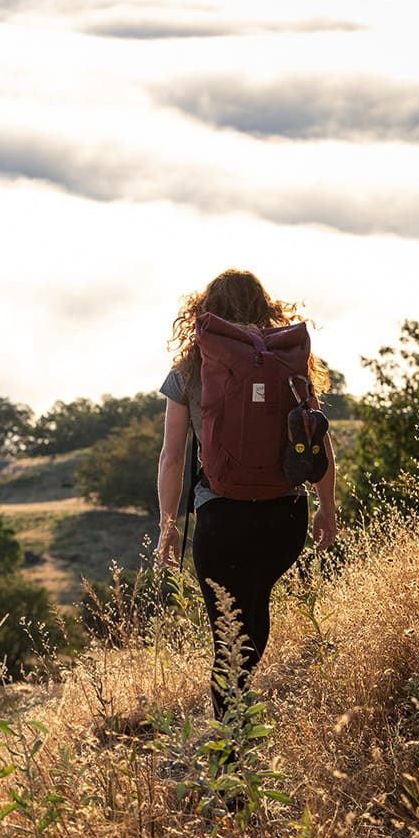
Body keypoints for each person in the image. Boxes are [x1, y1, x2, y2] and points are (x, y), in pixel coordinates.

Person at [157, 268, 337, 719]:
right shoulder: (289, 363)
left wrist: (168, 526)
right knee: (253, 615)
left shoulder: (189, 371)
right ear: (267, 306)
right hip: (284, 516)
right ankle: (239, 729)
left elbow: (172, 457)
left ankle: (229, 756)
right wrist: (326, 507)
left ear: (204, 312)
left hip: (222, 518)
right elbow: (318, 439)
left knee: (228, 638)